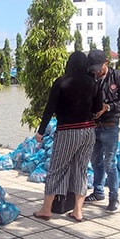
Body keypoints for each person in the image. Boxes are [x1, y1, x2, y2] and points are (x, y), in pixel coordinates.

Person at [32, 51, 103, 222]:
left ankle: (46, 209)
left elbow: (49, 109)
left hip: (67, 131)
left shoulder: (61, 82)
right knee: (81, 170)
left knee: (57, 169)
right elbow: (97, 108)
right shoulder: (93, 83)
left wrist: (41, 131)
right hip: (88, 131)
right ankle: (78, 211)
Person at [85, 49, 120, 213]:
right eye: (94, 69)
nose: (97, 71)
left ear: (106, 62)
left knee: (110, 164)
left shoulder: (117, 77)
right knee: (95, 162)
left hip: (110, 126)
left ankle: (114, 198)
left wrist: (109, 107)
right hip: (93, 126)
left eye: (99, 67)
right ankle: (98, 192)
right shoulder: (90, 77)